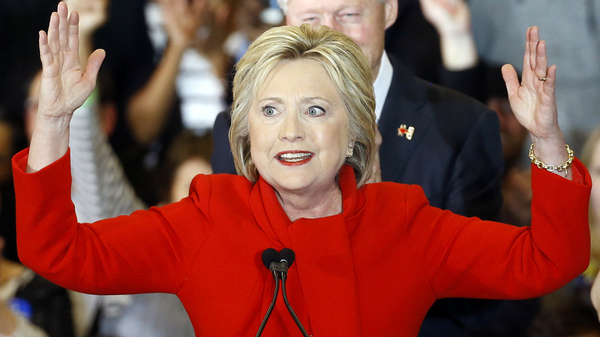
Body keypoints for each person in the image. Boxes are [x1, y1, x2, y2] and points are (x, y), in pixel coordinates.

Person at [13, 3, 591, 337]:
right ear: (246, 132)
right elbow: (57, 252)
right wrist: (56, 123)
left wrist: (545, 136)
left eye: (315, 110)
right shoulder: (205, 217)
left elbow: (549, 260)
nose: (291, 131)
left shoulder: (406, 222)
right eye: (270, 111)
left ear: (355, 130)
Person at [211, 0, 505, 335]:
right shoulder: (244, 129)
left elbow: (473, 302)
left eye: (349, 15)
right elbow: (236, 281)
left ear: (389, 11)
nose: (331, 33)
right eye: (311, 18)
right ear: (286, 18)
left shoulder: (461, 126)